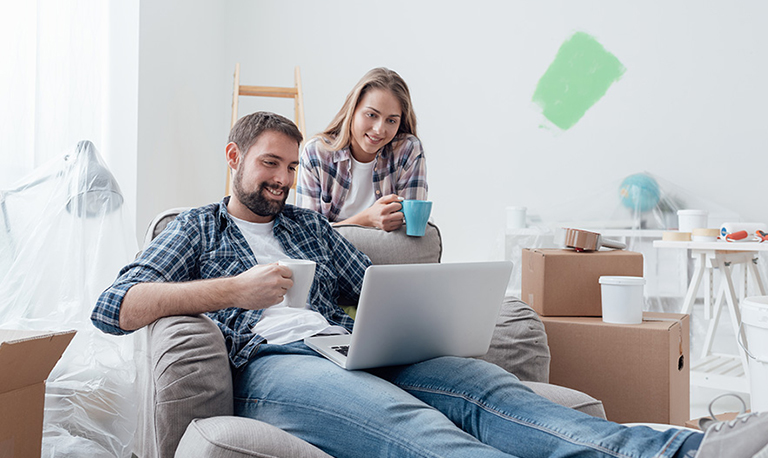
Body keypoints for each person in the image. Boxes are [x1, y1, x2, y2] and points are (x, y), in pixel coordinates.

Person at [92, 111, 768, 458]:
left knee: (495, 394)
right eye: (269, 163)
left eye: (291, 167)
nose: (280, 178)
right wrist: (231, 291)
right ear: (235, 157)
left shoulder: (307, 227)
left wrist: (427, 312)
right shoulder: (196, 228)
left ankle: (693, 447)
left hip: (349, 346)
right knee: (408, 423)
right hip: (275, 367)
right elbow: (113, 306)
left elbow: (377, 285)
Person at [296, 67, 426, 232]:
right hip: (332, 258)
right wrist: (367, 219)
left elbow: (411, 228)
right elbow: (307, 235)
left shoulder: (407, 150)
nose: (379, 129)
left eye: (391, 121)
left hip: (389, 255)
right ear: (352, 110)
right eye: (371, 115)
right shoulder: (317, 154)